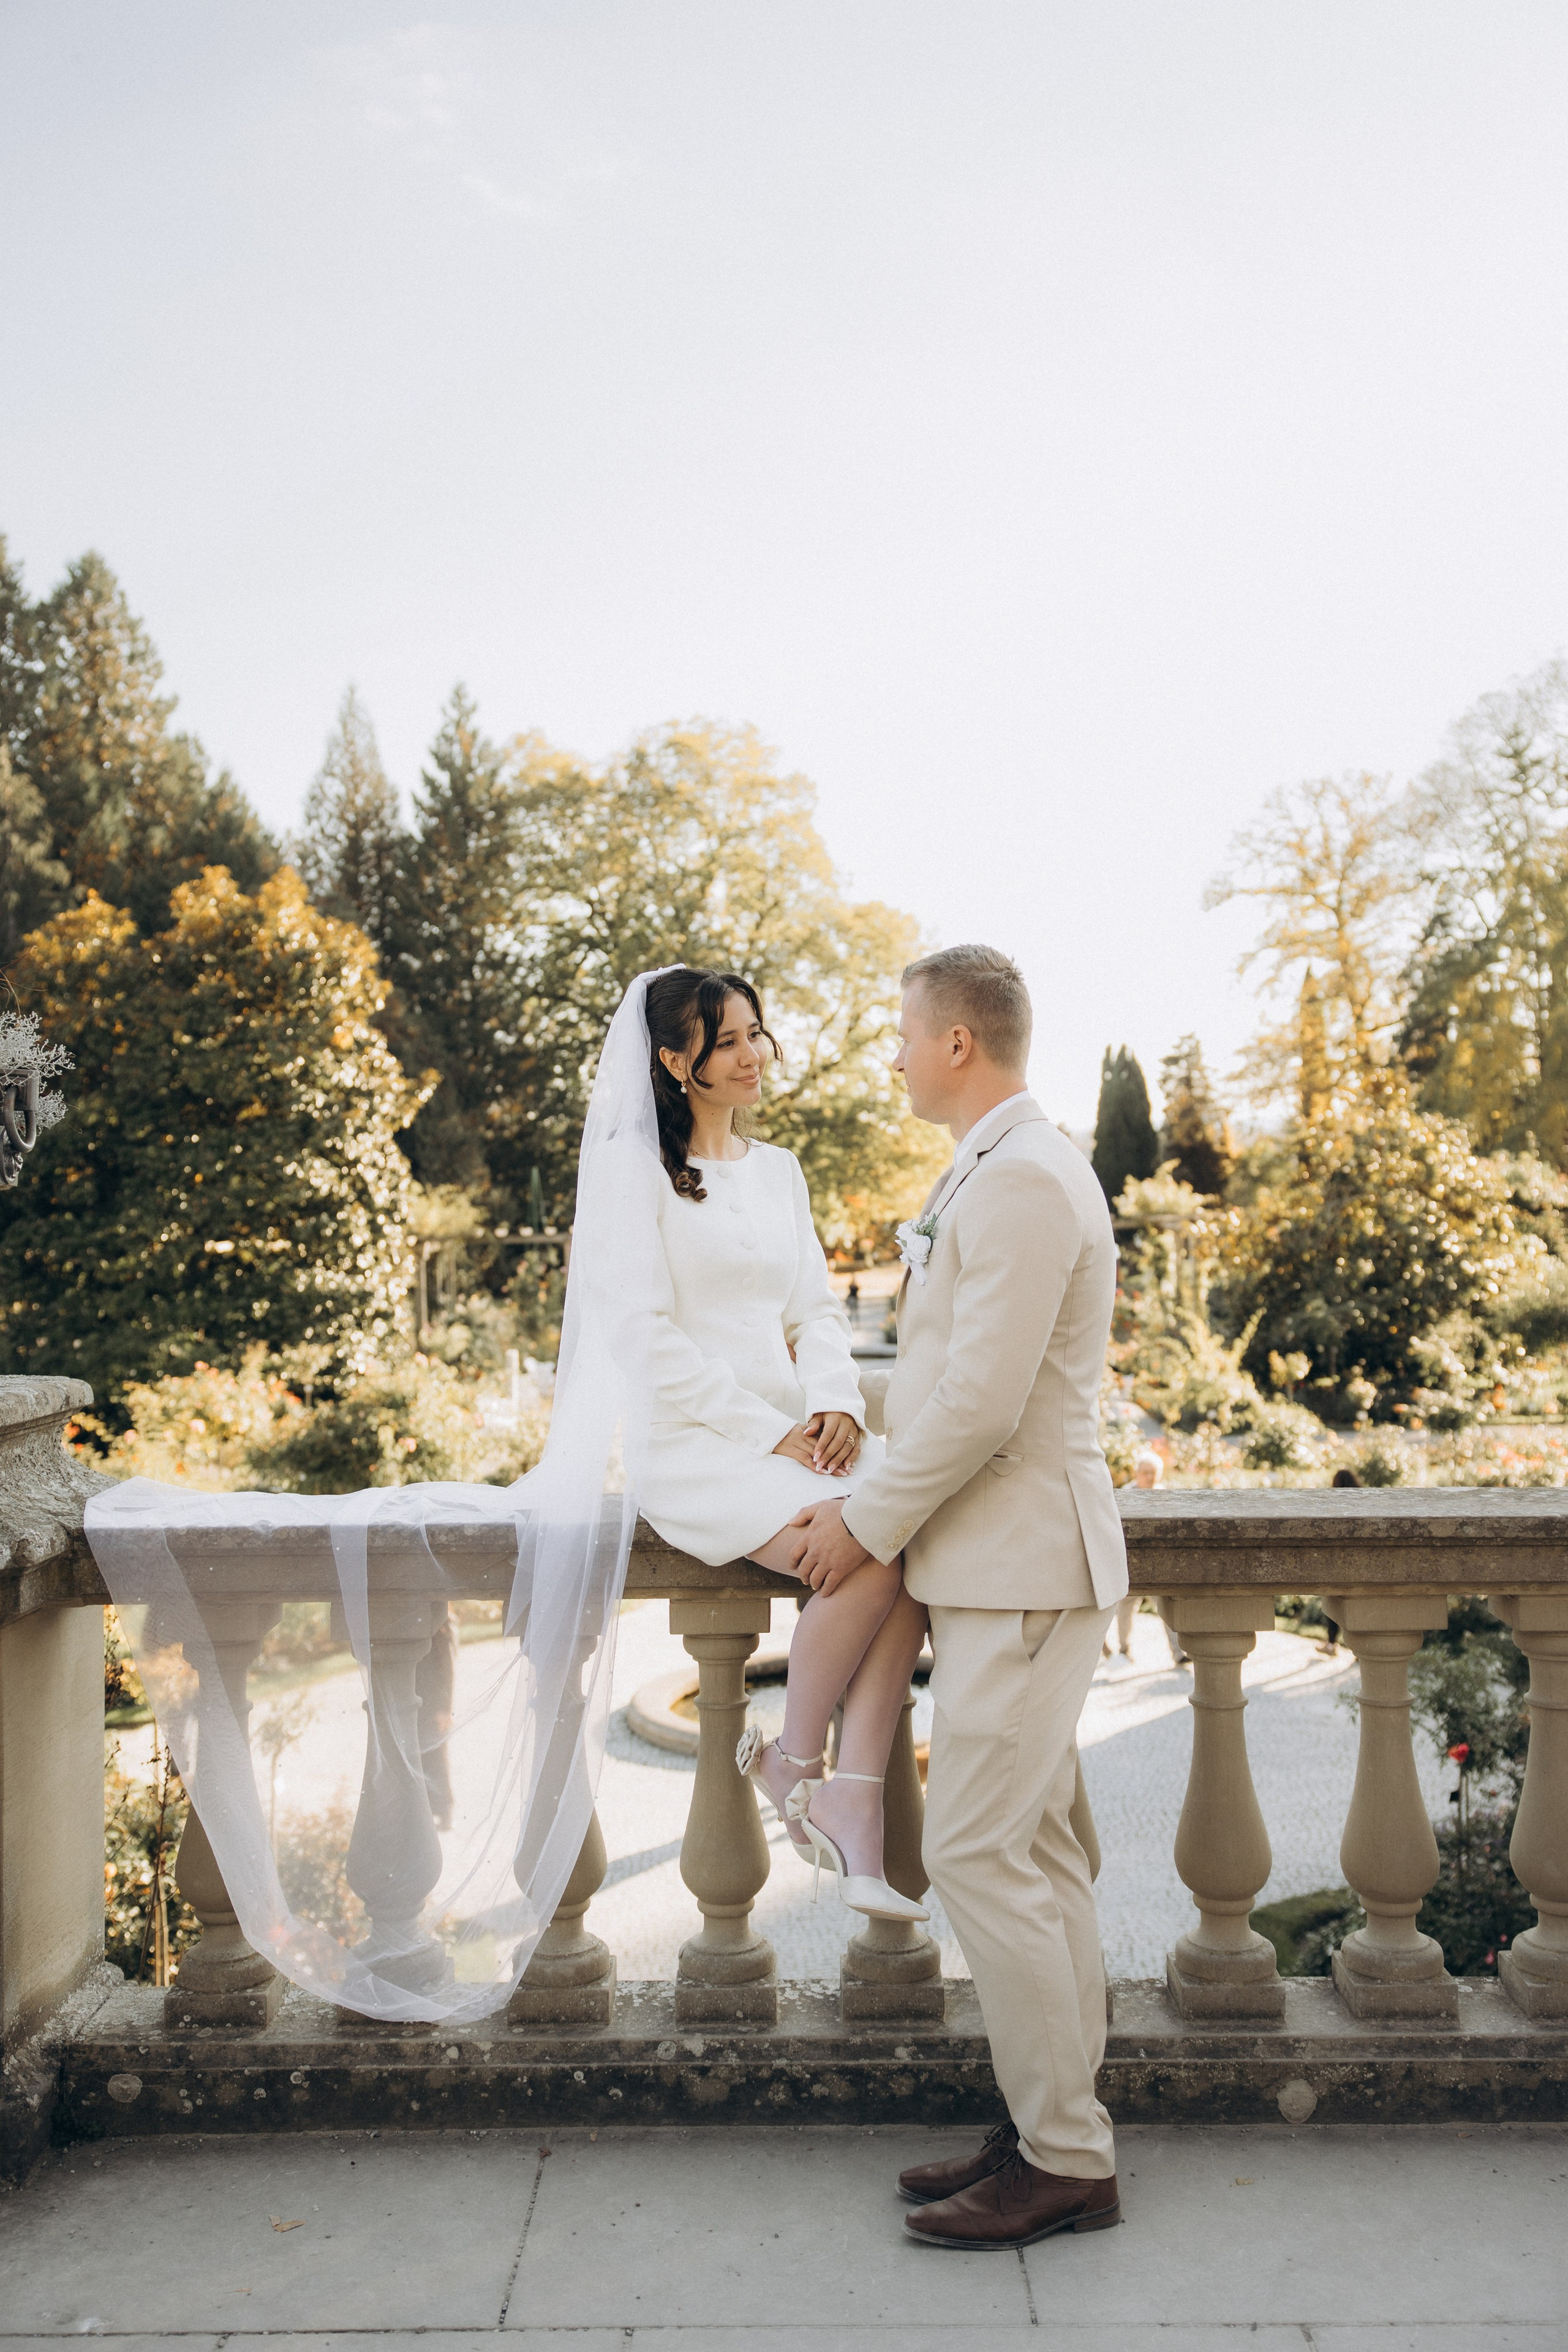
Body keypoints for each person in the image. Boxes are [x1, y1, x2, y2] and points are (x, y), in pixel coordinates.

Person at [792, 943, 1128, 2252]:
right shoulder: (990, 1168)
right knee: (1038, 1856)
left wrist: (861, 1525)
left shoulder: (1028, 1178)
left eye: (897, 1033)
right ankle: (1048, 2120)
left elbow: (983, 1407)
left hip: (1029, 1567)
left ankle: (1066, 2158)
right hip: (994, 1568)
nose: (886, 1055)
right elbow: (939, 1376)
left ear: (954, 1045)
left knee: (983, 1852)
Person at [636, 966, 928, 1922]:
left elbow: (815, 1311)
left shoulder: (780, 1172)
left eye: (758, 1033)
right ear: (677, 1062)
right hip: (698, 1444)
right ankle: (803, 1767)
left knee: (905, 1535)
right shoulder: (634, 1176)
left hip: (799, 1436)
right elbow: (645, 1340)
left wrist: (837, 1403)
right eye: (729, 1042)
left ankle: (844, 1795)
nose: (755, 1054)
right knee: (870, 1548)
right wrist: (773, 1433)